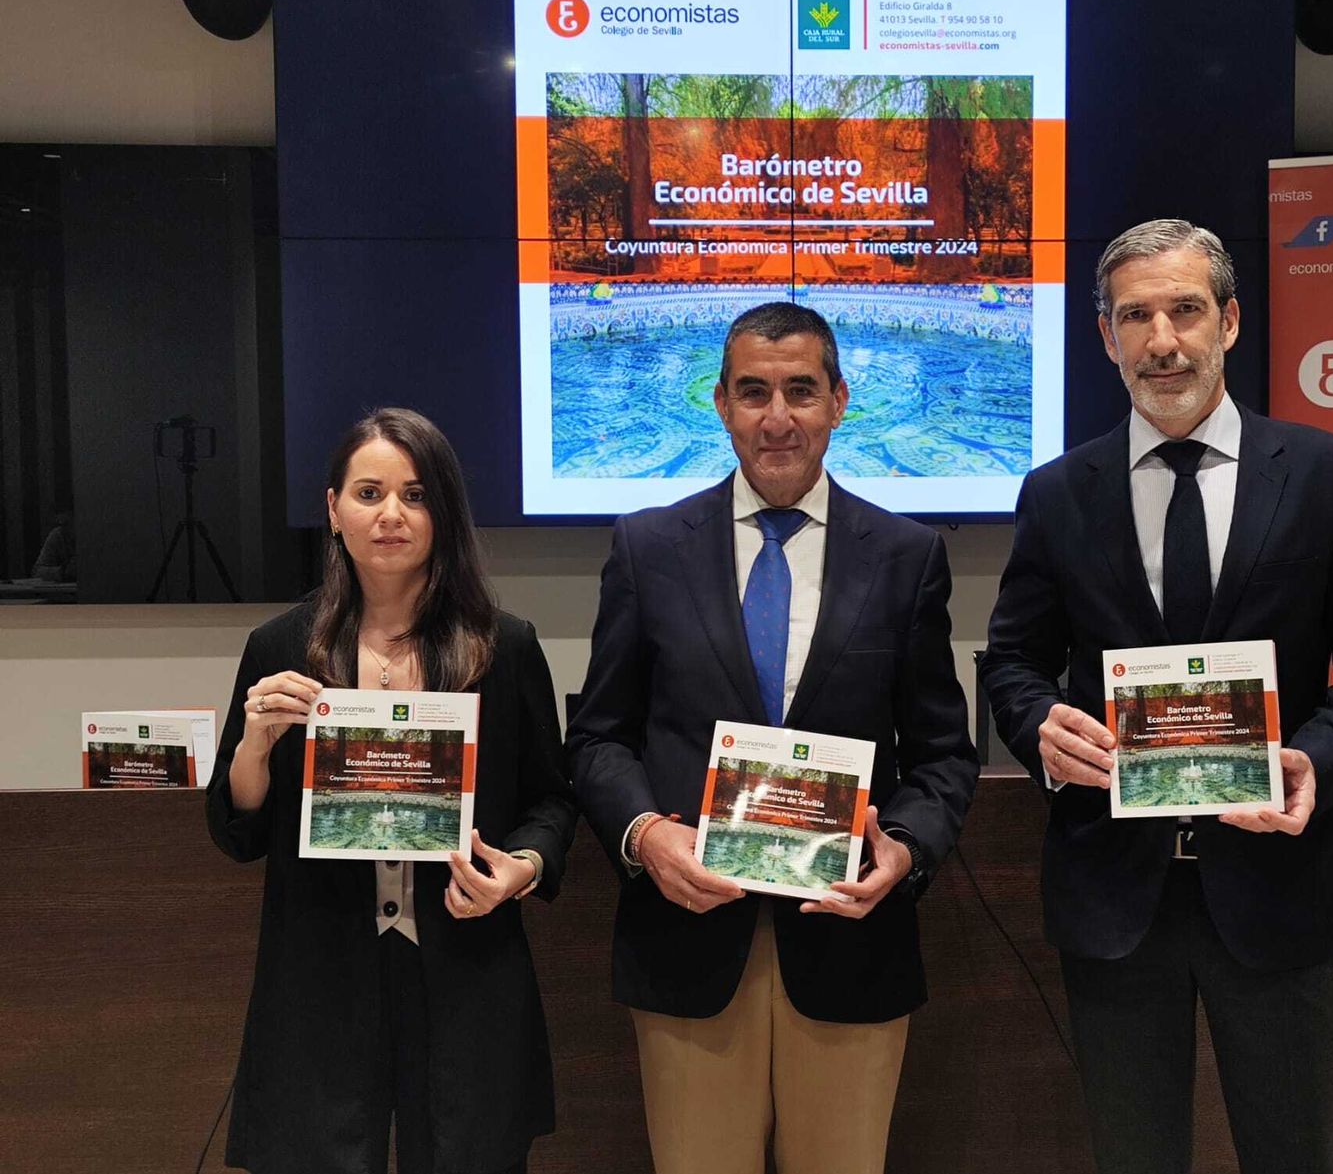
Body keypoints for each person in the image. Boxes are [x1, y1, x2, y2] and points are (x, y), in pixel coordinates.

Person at [980, 219, 1333, 1174]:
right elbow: (1011, 661)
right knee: (1133, 1155)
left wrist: (1318, 755)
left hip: (1275, 889)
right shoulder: (1057, 493)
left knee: (1300, 1151)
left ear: (1228, 321)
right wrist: (1038, 727)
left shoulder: (1323, 473)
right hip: (1114, 893)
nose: (1161, 340)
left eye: (1184, 310)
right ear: (1105, 336)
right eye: (1134, 315)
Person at [567, 301, 979, 1174]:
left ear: (840, 399)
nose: (777, 417)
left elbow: (944, 752)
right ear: (718, 403)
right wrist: (645, 834)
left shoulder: (906, 556)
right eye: (753, 392)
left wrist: (903, 850)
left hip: (849, 943)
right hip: (687, 944)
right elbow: (599, 737)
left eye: (801, 390)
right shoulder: (647, 548)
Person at [205, 407, 578, 1174]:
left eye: (415, 494)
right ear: (333, 508)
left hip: (467, 969)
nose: (391, 515)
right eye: (369, 492)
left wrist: (522, 867)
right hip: (320, 969)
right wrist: (254, 746)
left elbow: (552, 800)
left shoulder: (505, 646)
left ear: (444, 512)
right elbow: (238, 830)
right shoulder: (279, 646)